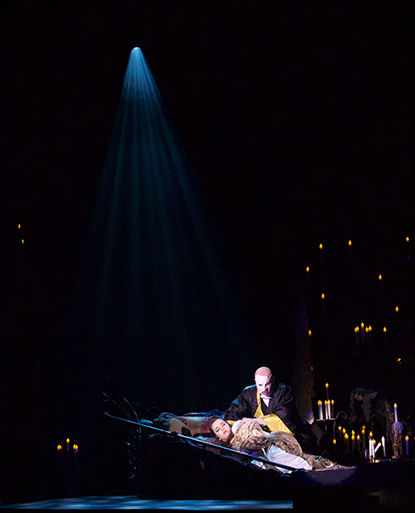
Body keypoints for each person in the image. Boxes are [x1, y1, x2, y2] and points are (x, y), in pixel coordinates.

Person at [224, 366, 316, 451]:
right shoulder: (248, 393)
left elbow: (285, 416)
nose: (264, 389)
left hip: (293, 438)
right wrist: (237, 426)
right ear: (255, 381)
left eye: (267, 384)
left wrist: (255, 421)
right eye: (260, 385)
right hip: (263, 441)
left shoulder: (284, 391)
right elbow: (233, 413)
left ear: (272, 380)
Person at [208, 416, 342, 473]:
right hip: (266, 466)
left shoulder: (239, 427)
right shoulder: (231, 450)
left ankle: (312, 472)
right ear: (217, 437)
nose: (223, 428)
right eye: (218, 429)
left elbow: (257, 436)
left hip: (271, 448)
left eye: (223, 424)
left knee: (275, 454)